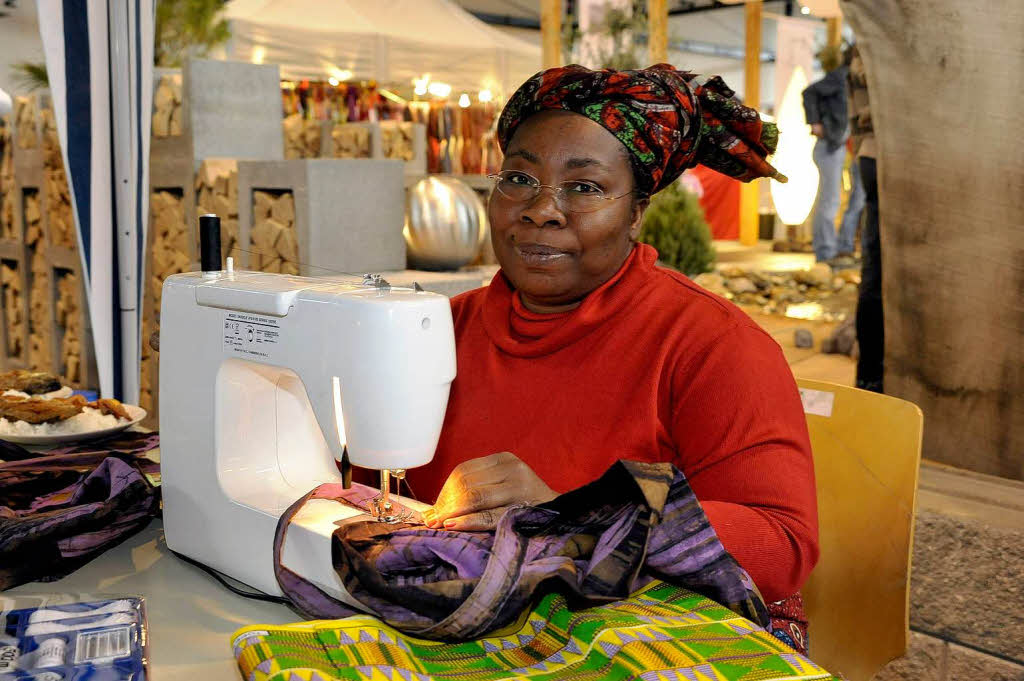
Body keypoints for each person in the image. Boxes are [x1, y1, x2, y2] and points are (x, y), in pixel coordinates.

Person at [406, 64, 819, 651]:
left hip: (658, 634)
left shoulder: (712, 346)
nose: (540, 209)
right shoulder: (441, 329)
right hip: (479, 620)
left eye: (585, 187)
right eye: (518, 178)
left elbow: (783, 541)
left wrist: (576, 520)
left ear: (637, 213)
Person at [847, 44, 883, 393]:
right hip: (893, 154)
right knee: (882, 271)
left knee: (876, 267)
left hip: (872, 153)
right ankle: (875, 377)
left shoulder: (865, 37)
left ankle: (870, 378)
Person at [803, 47, 858, 263]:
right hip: (828, 145)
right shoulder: (840, 76)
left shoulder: (850, 78)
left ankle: (835, 249)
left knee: (836, 199)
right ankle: (825, 252)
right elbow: (809, 92)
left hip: (838, 145)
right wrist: (815, 122)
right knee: (830, 200)